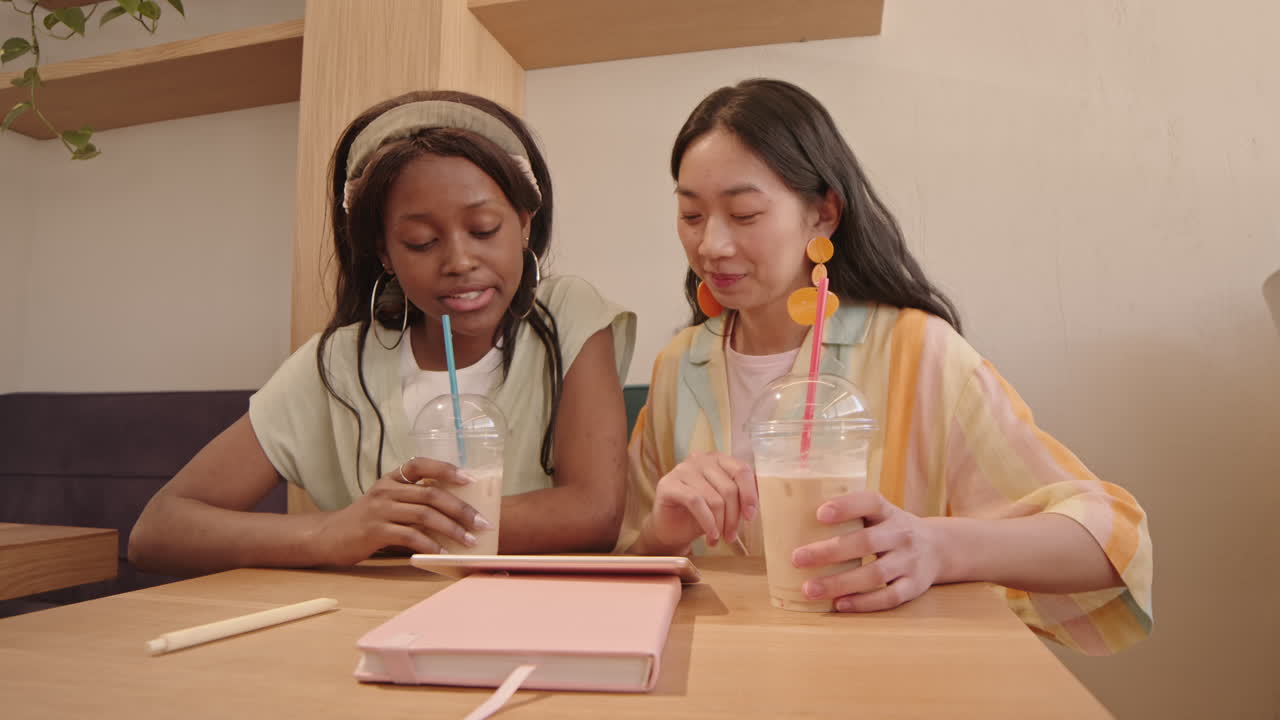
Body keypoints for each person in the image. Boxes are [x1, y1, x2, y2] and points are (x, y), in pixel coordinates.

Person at [620, 78, 1151, 654]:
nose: (712, 245)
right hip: (726, 682)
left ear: (823, 213)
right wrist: (658, 537)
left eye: (744, 214)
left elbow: (1113, 541)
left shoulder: (918, 352)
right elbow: (622, 573)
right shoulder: (679, 366)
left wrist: (936, 547)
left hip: (890, 681)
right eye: (692, 216)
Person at [130, 90, 635, 574]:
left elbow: (593, 514)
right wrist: (333, 532)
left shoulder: (568, 315)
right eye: (421, 242)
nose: (459, 261)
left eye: (483, 230)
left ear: (525, 222)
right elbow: (158, 530)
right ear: (385, 253)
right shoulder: (337, 366)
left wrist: (406, 526)